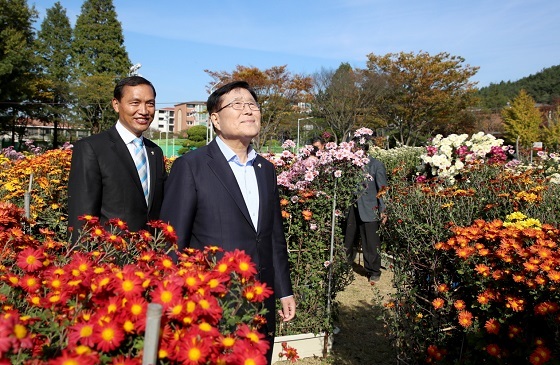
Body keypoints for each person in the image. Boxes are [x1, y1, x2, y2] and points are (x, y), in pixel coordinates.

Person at [160, 81, 296, 364]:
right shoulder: (192, 166)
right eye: (237, 104)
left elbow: (273, 237)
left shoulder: (266, 170)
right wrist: (173, 301)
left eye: (252, 105)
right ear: (215, 119)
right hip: (213, 302)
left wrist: (283, 290)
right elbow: (172, 241)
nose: (248, 111)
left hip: (262, 297)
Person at [67, 76, 167, 243]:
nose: (144, 111)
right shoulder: (92, 148)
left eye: (150, 103)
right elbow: (82, 217)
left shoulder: (154, 152)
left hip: (149, 259)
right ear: (116, 104)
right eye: (135, 103)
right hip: (110, 258)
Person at [344, 139, 388, 282]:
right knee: (348, 238)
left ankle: (373, 271)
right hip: (353, 207)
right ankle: (345, 264)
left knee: (370, 242)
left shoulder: (376, 165)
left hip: (370, 208)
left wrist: (383, 209)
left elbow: (382, 189)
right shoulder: (351, 165)